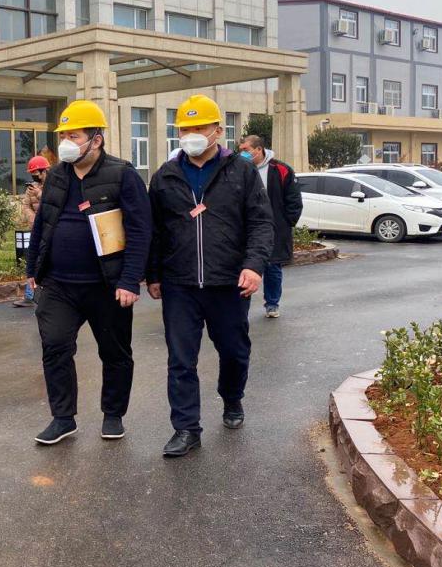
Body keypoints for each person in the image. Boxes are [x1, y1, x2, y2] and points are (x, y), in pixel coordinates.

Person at [147, 96, 274, 457]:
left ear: (218, 130)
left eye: (199, 127)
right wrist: (153, 273)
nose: (191, 134)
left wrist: (253, 265)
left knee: (234, 351)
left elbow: (261, 223)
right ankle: (186, 428)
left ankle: (232, 397)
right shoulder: (165, 176)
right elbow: (155, 230)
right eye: (185, 129)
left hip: (228, 282)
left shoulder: (241, 172)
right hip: (180, 284)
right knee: (180, 359)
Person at [25, 100, 152, 445]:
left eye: (74, 136)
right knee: (55, 346)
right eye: (63, 135)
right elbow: (43, 223)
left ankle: (113, 414)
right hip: (58, 284)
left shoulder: (123, 174)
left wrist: (130, 280)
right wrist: (33, 268)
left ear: (96, 139)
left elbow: (141, 230)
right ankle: (63, 418)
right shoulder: (56, 175)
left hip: (107, 285)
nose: (66, 142)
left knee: (114, 352)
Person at [238, 134, 302, 318]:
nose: (242, 153)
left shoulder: (281, 169)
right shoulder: (238, 168)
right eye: (240, 150)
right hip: (245, 228)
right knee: (244, 268)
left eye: (246, 150)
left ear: (259, 149)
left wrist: (286, 222)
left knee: (272, 267)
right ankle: (240, 307)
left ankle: (272, 304)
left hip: (275, 228)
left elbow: (294, 200)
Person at [12, 155, 49, 308]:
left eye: (36, 173)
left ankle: (48, 295)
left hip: (52, 229)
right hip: (37, 229)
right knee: (33, 259)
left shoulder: (55, 185)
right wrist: (34, 220)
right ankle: (29, 295)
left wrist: (40, 193)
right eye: (32, 173)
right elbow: (26, 206)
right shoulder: (31, 188)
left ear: (44, 171)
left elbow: (52, 203)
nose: (34, 176)